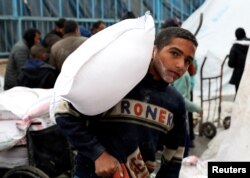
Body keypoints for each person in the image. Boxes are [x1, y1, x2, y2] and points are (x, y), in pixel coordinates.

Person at [55, 27, 198, 178]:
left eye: (187, 61)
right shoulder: (118, 83)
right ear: (154, 50)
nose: (181, 65)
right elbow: (64, 113)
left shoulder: (175, 103)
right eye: (174, 53)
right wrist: (98, 154)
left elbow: (174, 156)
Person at [228, 27, 250, 95]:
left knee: (240, 96)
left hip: (239, 75)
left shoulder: (235, 46)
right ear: (245, 34)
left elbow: (231, 63)